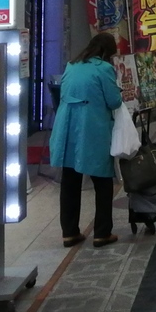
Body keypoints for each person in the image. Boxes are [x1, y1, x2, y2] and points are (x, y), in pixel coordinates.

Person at [48, 33, 123, 248]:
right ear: (107, 52)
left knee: (70, 181)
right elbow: (114, 101)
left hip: (67, 128)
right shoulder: (104, 68)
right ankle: (102, 232)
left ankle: (70, 232)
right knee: (103, 180)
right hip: (92, 127)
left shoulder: (72, 66)